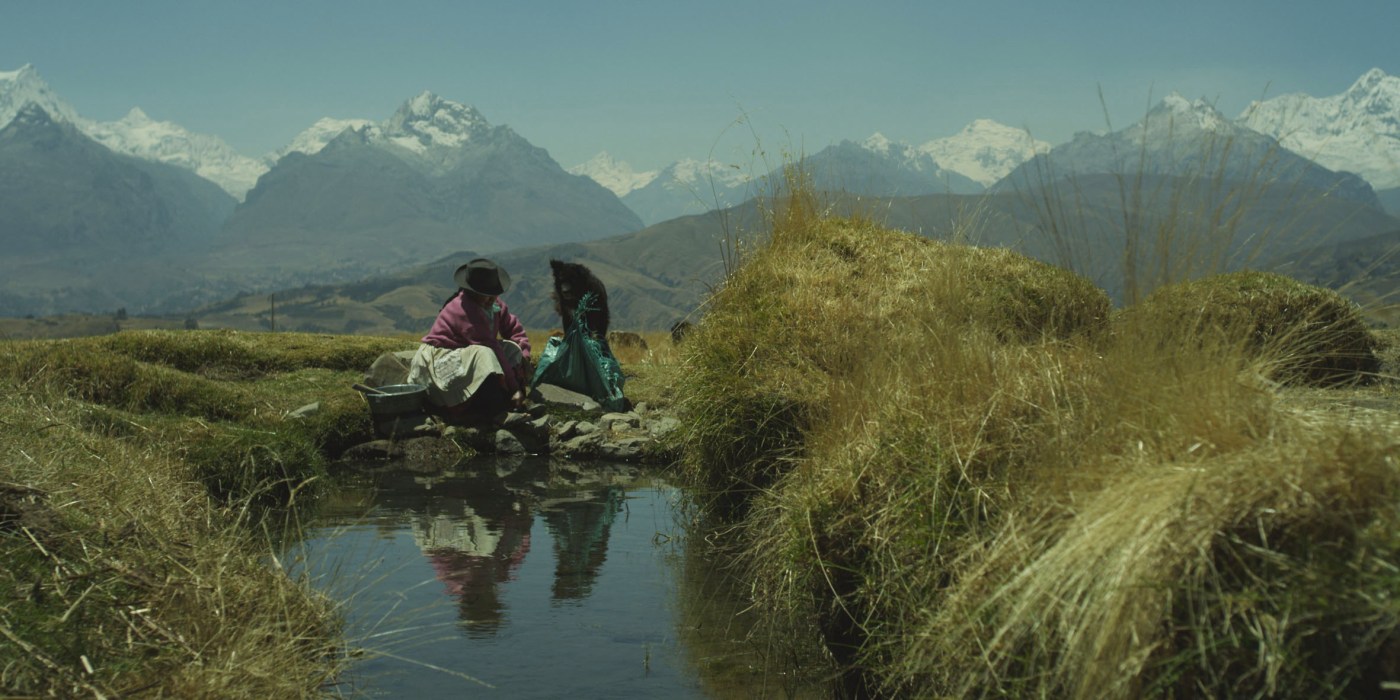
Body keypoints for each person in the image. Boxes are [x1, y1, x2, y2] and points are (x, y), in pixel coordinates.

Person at [408, 258, 531, 423]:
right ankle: (496, 410)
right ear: (471, 292)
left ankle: (512, 399)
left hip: (468, 352)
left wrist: (524, 354)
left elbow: (513, 329)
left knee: (511, 348)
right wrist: (513, 387)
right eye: (485, 295)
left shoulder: (494, 304)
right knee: (485, 355)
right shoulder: (463, 309)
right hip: (442, 357)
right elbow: (489, 345)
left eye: (493, 294)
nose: (491, 299)